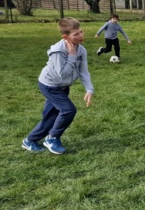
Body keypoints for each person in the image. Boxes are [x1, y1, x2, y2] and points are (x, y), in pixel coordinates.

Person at [22, 18, 94, 154]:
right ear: (65, 37)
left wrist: (89, 89)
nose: (81, 36)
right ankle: (52, 138)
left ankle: (30, 141)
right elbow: (62, 74)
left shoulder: (81, 50)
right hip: (50, 85)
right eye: (76, 34)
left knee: (51, 116)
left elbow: (83, 71)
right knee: (68, 110)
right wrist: (71, 56)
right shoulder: (58, 51)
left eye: (81, 32)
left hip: (62, 87)